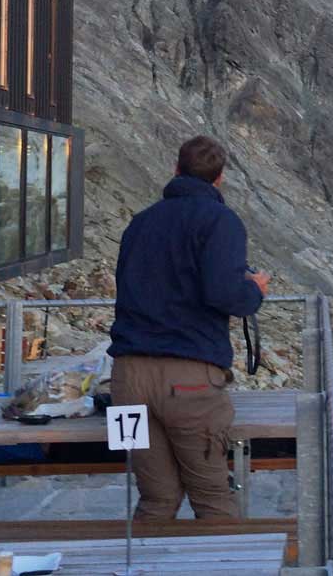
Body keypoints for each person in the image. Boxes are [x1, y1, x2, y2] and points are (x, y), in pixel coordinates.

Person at [108, 135, 270, 519]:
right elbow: (223, 295)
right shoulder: (221, 221)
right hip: (190, 380)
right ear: (220, 178)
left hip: (127, 379)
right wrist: (253, 290)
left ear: (176, 169)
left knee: (156, 498)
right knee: (213, 496)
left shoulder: (140, 222)